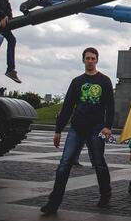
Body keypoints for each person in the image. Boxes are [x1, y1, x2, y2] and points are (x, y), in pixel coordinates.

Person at [41, 47, 115, 214]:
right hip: (77, 128)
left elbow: (110, 105)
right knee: (64, 164)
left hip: (96, 127)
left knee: (99, 163)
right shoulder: (77, 82)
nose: (90, 61)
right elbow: (67, 106)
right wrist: (58, 130)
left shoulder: (104, 81)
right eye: (87, 58)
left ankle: (105, 194)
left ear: (97, 60)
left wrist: (107, 126)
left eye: (93, 58)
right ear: (83, 60)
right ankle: (53, 202)